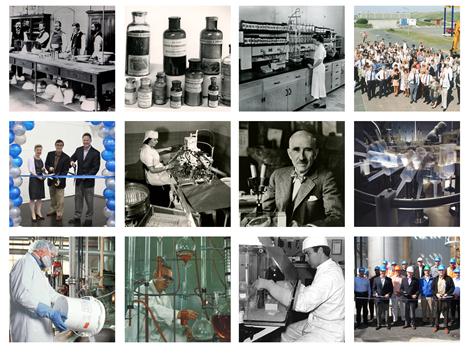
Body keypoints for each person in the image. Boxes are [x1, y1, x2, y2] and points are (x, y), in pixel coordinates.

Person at [253, 236, 344, 342]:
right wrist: (290, 286)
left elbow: (303, 304)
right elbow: (314, 291)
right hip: (318, 320)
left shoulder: (330, 274)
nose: (306, 259)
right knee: (288, 332)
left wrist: (269, 285)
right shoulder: (326, 268)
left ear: (320, 251)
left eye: (308, 254)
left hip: (328, 331)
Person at [262, 130, 343, 226]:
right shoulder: (277, 175)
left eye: (308, 150)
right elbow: (265, 212)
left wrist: (305, 229)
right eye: (296, 150)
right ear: (289, 153)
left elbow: (336, 218)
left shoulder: (326, 178)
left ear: (315, 153)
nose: (301, 157)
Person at [10, 240, 68, 341]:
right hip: (27, 329)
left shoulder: (38, 270)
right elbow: (21, 295)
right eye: (51, 255)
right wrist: (50, 312)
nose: (52, 260)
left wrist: (72, 304)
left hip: (40, 329)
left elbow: (51, 294)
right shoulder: (25, 262)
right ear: (40, 251)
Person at [128, 257, 197, 341]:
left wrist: (184, 328)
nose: (167, 281)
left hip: (155, 336)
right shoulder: (142, 290)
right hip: (138, 336)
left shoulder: (164, 296)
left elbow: (171, 318)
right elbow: (151, 309)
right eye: (165, 277)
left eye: (170, 279)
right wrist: (179, 314)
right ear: (155, 275)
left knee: (180, 334)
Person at [68, 133, 100, 226]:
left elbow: (96, 168)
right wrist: (72, 162)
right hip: (78, 180)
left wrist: (87, 175)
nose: (85, 141)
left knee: (89, 200)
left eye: (87, 140)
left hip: (88, 181)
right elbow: (72, 158)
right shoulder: (78, 150)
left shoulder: (95, 153)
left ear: (90, 141)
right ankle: (77, 217)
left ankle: (89, 218)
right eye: (84, 140)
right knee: (78, 199)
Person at [140, 130, 173, 207]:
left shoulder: (146, 147)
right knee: (173, 182)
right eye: (155, 140)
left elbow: (154, 151)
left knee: (171, 180)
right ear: (149, 140)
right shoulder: (147, 152)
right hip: (155, 176)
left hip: (155, 173)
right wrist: (167, 167)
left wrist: (165, 149)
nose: (157, 141)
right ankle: (168, 204)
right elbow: (152, 170)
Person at [45, 139, 70, 222]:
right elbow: (46, 164)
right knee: (52, 196)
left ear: (62, 146)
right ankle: (53, 209)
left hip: (60, 180)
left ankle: (59, 213)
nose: (59, 146)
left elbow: (65, 171)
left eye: (60, 145)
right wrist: (49, 168)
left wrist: (60, 179)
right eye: (57, 145)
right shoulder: (50, 154)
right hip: (51, 179)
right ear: (55, 145)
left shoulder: (66, 157)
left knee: (60, 198)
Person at [432, 264, 455, 334]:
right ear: (438, 271)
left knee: (446, 313)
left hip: (445, 299)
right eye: (440, 270)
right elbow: (432, 288)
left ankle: (446, 327)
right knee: (437, 313)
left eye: (442, 270)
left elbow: (452, 288)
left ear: (444, 271)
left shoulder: (449, 278)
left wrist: (447, 294)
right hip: (437, 299)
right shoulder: (435, 279)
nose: (441, 272)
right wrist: (436, 294)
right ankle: (436, 326)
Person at [28, 144, 46, 223]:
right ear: (35, 150)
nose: (39, 151)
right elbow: (31, 170)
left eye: (40, 150)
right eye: (37, 150)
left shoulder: (41, 159)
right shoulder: (31, 159)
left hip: (40, 180)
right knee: (32, 197)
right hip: (34, 180)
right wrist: (38, 177)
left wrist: (45, 174)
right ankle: (33, 214)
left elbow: (43, 170)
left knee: (39, 197)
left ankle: (38, 212)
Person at [308, 34, 327, 109]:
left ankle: (324, 103)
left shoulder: (320, 48)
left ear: (317, 40)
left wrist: (313, 66)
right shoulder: (320, 47)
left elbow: (319, 60)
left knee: (321, 85)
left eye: (314, 40)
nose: (313, 41)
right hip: (319, 68)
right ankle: (321, 102)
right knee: (318, 85)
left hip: (318, 68)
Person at [372, 265, 393, 330]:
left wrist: (388, 294)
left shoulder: (389, 279)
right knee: (378, 312)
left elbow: (391, 289)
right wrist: (375, 293)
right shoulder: (376, 279)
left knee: (386, 312)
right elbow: (373, 288)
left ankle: (387, 324)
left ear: (385, 272)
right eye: (381, 271)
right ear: (380, 271)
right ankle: (379, 324)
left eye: (384, 271)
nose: (382, 272)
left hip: (386, 299)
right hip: (378, 299)